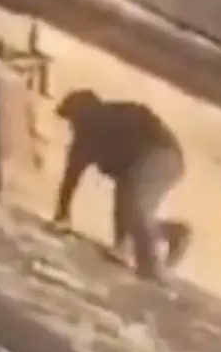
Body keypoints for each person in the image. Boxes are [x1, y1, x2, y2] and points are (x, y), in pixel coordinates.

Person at [51, 89, 192, 282]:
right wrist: (62, 215)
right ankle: (172, 233)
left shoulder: (98, 124)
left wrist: (62, 215)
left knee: (136, 207)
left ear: (82, 115)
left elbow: (72, 174)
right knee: (130, 205)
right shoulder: (96, 126)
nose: (71, 126)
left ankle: (150, 266)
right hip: (144, 162)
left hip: (162, 156)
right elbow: (72, 175)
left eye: (72, 119)